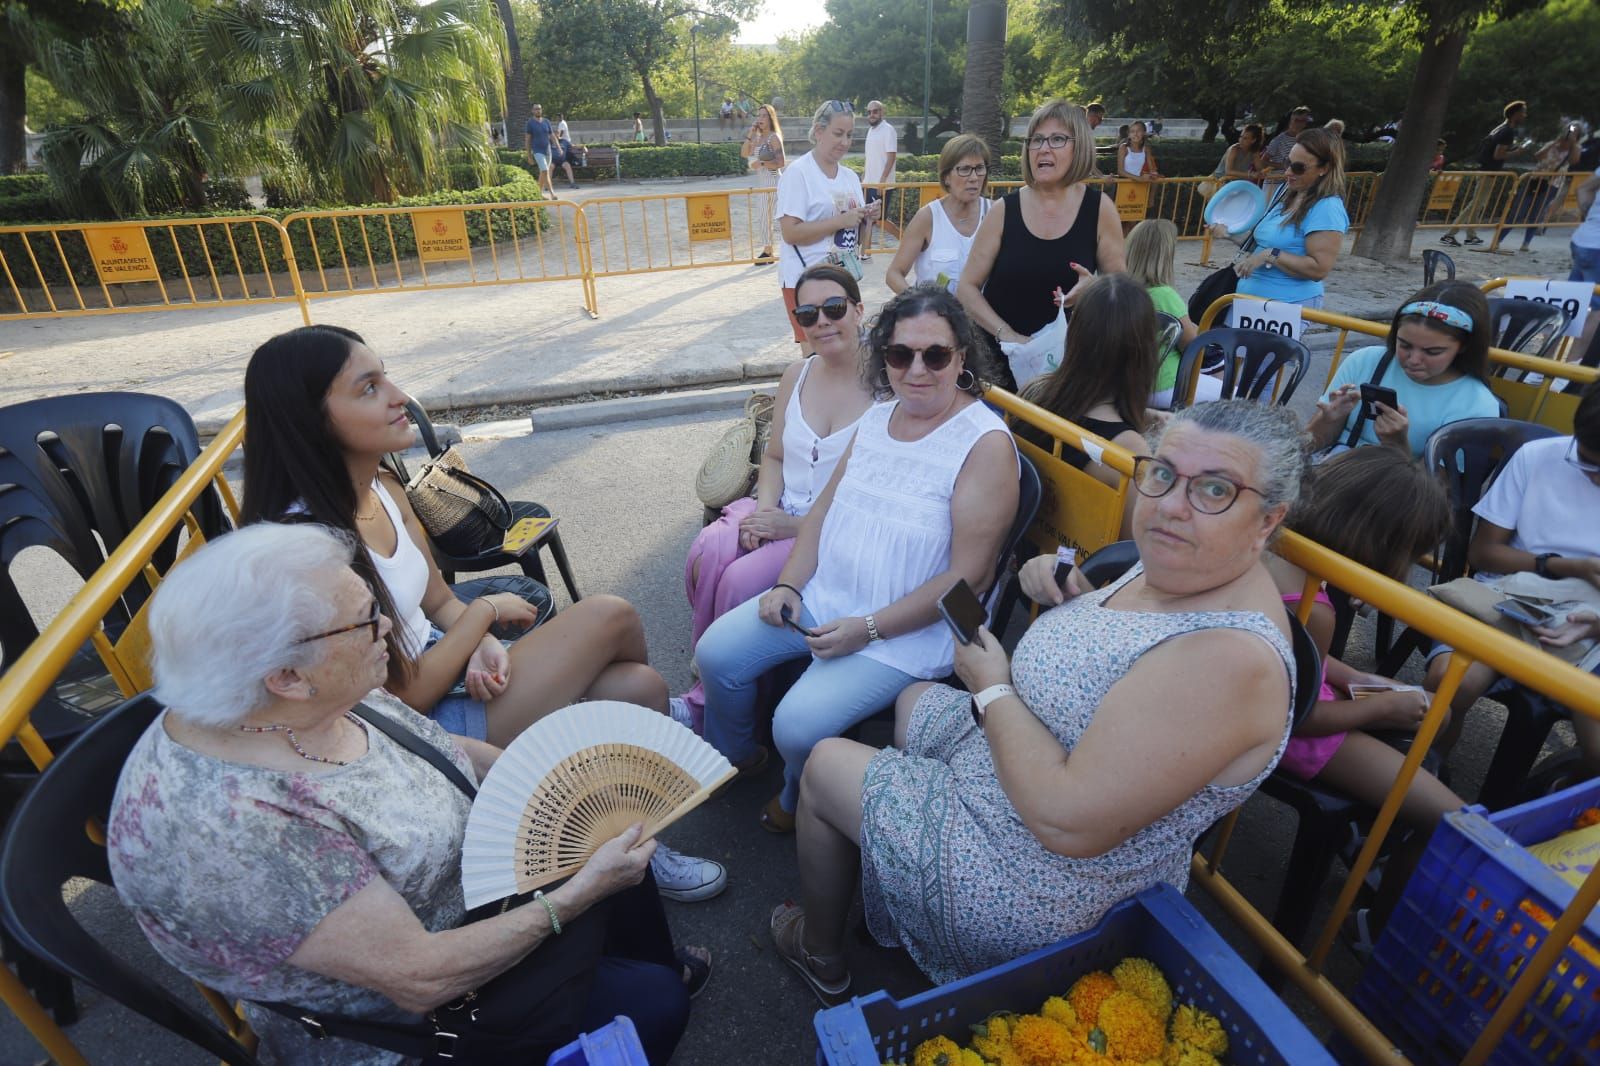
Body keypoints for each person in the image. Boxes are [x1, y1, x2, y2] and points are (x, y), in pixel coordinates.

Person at [106, 523, 707, 1065]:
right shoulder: (234, 829)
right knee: (652, 1001)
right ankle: (641, 981)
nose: (388, 628)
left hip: (464, 896)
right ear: (286, 677)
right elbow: (420, 978)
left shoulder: (306, 691)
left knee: (615, 844)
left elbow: (439, 745)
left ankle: (639, 966)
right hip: (411, 1025)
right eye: (368, 620)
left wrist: (556, 790)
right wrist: (575, 897)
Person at [772, 400, 1304, 996]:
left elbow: (1067, 823)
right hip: (1013, 765)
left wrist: (992, 685)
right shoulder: (1183, 561)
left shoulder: (1228, 659)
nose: (1171, 506)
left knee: (823, 766)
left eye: (1214, 490)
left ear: (1267, 520)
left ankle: (821, 956)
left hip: (1039, 887)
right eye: (1162, 474)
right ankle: (904, 880)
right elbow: (1124, 655)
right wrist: (1066, 591)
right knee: (913, 699)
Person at [240, 325, 726, 901]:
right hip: (419, 725)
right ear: (311, 419)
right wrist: (487, 613)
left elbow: (441, 601)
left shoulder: (385, 487)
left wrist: (480, 643)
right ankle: (616, 831)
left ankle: (630, 829)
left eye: (386, 375)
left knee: (637, 686)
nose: (399, 396)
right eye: (368, 388)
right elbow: (408, 696)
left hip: (449, 675)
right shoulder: (313, 547)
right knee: (610, 616)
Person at [697, 287, 1018, 835]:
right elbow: (822, 512)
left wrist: (867, 630)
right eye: (900, 354)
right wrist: (791, 585)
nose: (916, 369)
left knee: (795, 726)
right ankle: (739, 757)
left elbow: (970, 579)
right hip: (825, 598)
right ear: (885, 357)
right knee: (716, 654)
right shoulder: (879, 418)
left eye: (935, 355)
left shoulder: (983, 443)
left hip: (903, 634)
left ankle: (800, 795)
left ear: (962, 357)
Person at [1264, 447, 1461, 937]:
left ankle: (1378, 829)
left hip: (1281, 704)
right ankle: (1372, 929)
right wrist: (1383, 707)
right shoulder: (1318, 605)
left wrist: (1357, 680)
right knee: (1453, 821)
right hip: (1299, 734)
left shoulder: (1272, 547)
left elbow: (1299, 657)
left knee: (1440, 714)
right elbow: (1302, 717)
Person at [678, 264, 875, 731]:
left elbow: (870, 503)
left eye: (834, 308)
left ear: (859, 310)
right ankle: (717, 675)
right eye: (807, 314)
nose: (822, 322)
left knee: (740, 581)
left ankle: (710, 704)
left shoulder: (888, 387)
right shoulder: (797, 374)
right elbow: (774, 458)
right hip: (778, 510)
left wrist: (791, 528)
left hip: (829, 532)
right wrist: (765, 511)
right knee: (710, 549)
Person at [1424, 381, 1600, 772]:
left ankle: (1568, 814)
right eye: (1587, 462)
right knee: (1449, 683)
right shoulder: (1539, 457)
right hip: (1509, 597)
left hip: (1590, 619)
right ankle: (1418, 783)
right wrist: (1567, 566)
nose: (1594, 478)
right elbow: (1484, 552)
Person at [959, 99, 1127, 392]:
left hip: (1067, 366)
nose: (1043, 148)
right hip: (998, 367)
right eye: (1036, 139)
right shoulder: (1003, 210)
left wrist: (1095, 289)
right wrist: (1007, 335)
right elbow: (966, 288)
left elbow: (1121, 289)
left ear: (1080, 147)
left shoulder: (1099, 209)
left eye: (1057, 139)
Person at [1016, 275, 1155, 535]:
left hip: (1026, 551)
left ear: (1075, 334)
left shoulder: (1031, 392)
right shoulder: (1128, 452)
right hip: (1081, 573)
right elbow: (1134, 552)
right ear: (1144, 352)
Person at [1308, 281, 1500, 458]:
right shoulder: (1364, 360)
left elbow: (1441, 491)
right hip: (1331, 474)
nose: (1414, 360)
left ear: (1464, 347)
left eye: (1433, 352)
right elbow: (1308, 446)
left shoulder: (1476, 405)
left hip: (1393, 491)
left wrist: (1398, 445)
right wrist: (1328, 420)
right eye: (1405, 345)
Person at [774, 99, 878, 349]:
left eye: (850, 135)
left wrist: (867, 221)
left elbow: (858, 239)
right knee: (816, 357)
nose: (844, 142)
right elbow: (790, 233)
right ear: (819, 131)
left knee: (848, 352)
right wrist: (839, 221)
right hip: (805, 279)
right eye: (838, 133)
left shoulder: (851, 176)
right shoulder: (798, 173)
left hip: (843, 279)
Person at [1213, 126, 1348, 309]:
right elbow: (1261, 244)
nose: (1288, 172)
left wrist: (1271, 255)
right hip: (1250, 301)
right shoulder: (1286, 192)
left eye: (1298, 167)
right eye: (1287, 163)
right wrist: (1228, 233)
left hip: (1286, 305)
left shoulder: (1327, 208)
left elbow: (1319, 269)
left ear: (1324, 168)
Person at [1125, 219, 1223, 410]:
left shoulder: (1122, 288)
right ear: (1166, 256)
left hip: (1130, 385)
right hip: (1163, 384)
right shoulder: (1164, 294)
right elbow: (1192, 346)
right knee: (1238, 397)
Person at [885, 134, 991, 295]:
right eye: (964, 169)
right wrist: (922, 305)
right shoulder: (928, 218)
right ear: (946, 176)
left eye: (980, 168)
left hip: (984, 317)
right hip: (938, 317)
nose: (974, 178)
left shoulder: (995, 214)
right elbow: (894, 274)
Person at [1442, 100, 1531, 247]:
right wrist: (1517, 152)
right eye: (1523, 112)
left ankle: (1470, 235)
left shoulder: (1500, 128)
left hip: (1485, 169)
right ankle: (1449, 234)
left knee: (1478, 204)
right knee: (1476, 204)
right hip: (1489, 171)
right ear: (1515, 113)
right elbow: (1498, 155)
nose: (1525, 115)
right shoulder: (1507, 131)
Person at [1512, 124, 1582, 252]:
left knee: (1537, 213)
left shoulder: (1575, 148)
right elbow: (1538, 156)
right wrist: (1555, 142)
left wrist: (1572, 144)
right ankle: (1499, 239)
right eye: (1568, 130)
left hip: (1552, 184)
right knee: (1518, 210)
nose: (1569, 133)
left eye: (1573, 132)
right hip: (1535, 179)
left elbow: (1573, 161)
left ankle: (1526, 243)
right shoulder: (1553, 144)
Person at [740, 103, 786, 265]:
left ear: (771, 118)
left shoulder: (774, 137)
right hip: (762, 182)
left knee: (777, 218)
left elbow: (781, 162)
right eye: (759, 115)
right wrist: (751, 133)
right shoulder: (758, 138)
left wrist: (762, 163)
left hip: (773, 180)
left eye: (764, 116)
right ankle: (768, 250)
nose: (760, 119)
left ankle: (787, 249)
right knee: (763, 218)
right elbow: (744, 153)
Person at [862, 99, 898, 255]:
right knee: (869, 219)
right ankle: (866, 252)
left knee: (879, 220)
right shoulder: (871, 131)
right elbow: (870, 157)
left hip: (882, 184)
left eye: (875, 111)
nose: (872, 114)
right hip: (868, 182)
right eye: (869, 112)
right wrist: (863, 177)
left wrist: (882, 181)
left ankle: (907, 239)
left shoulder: (888, 130)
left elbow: (891, 157)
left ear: (882, 112)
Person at [1572, 162, 1600, 360]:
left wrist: (1589, 216)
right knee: (1598, 311)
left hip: (1583, 240)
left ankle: (1539, 370)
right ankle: (1568, 371)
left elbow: (1584, 188)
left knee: (1569, 303)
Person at [1208, 122, 1265, 188]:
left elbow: (1260, 169)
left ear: (1253, 140)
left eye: (1245, 138)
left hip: (1232, 184)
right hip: (1218, 182)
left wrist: (1262, 173)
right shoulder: (1234, 149)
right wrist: (1250, 174)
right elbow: (1228, 171)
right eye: (1241, 137)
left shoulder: (1254, 151)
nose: (1241, 140)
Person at [1264, 106, 1313, 173]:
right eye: (1296, 120)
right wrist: (1282, 166)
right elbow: (1263, 161)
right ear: (1290, 121)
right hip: (1275, 181)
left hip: (1295, 181)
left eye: (1303, 121)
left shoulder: (1306, 140)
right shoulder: (1279, 140)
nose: (1299, 124)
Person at [525, 103, 558, 199]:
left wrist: (558, 147)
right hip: (537, 151)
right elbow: (527, 139)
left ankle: (538, 193)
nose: (538, 111)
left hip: (548, 151)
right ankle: (552, 193)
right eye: (536, 109)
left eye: (539, 109)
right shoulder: (530, 123)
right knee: (545, 170)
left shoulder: (546, 122)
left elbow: (552, 135)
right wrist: (529, 155)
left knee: (543, 173)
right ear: (532, 111)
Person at [553, 113, 579, 190]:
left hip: (563, 159)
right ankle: (548, 184)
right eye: (555, 133)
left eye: (558, 133)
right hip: (553, 161)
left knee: (567, 165)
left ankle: (572, 183)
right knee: (550, 167)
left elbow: (573, 146)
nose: (557, 135)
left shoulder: (564, 140)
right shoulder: (551, 141)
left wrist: (583, 147)